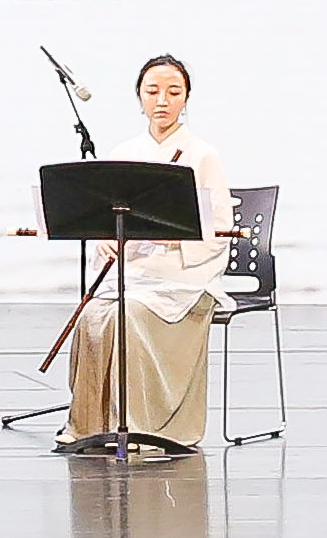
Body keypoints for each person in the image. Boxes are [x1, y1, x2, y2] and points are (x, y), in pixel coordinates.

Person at [58, 53, 235, 451]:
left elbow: (220, 228)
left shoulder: (203, 155)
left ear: (186, 98)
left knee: (129, 314)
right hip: (136, 273)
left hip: (181, 276)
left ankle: (142, 425)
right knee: (93, 315)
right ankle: (89, 425)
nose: (162, 100)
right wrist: (105, 236)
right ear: (139, 98)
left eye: (173, 92)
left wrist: (174, 238)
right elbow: (106, 217)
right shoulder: (124, 153)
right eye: (152, 91)